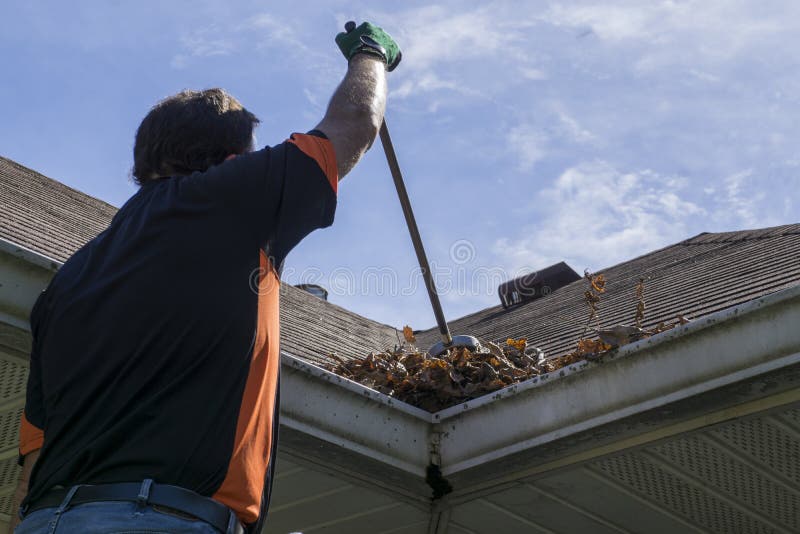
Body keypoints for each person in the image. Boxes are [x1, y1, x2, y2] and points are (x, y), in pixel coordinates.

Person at [10, 21, 400, 534]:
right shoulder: (231, 197)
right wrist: (371, 56)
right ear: (235, 161)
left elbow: (33, 459)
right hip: (160, 521)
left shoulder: (67, 283)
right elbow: (355, 122)